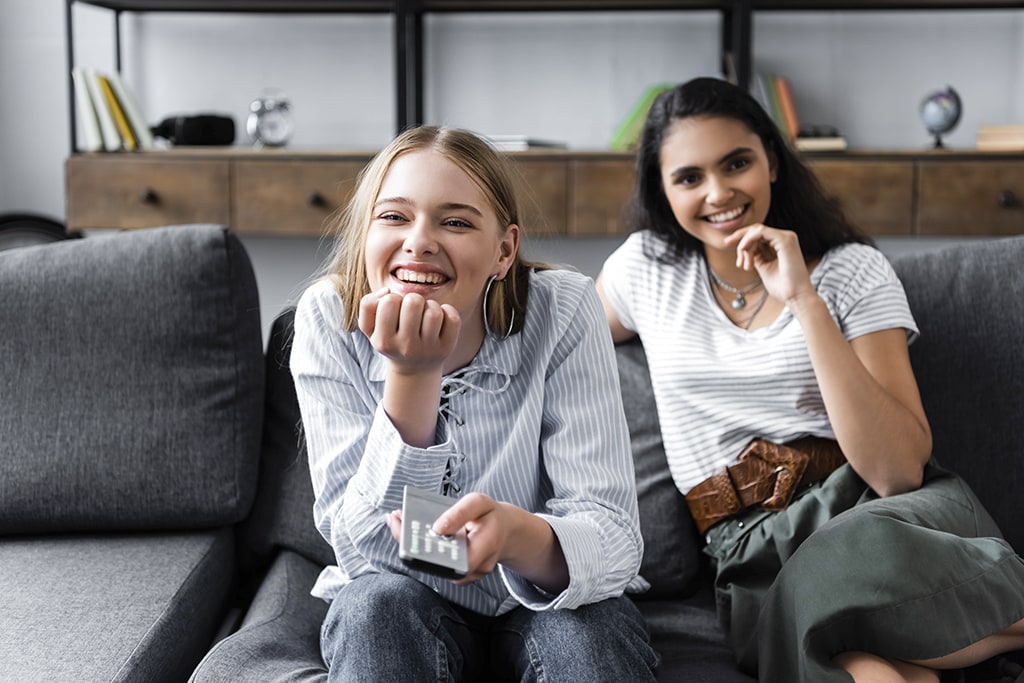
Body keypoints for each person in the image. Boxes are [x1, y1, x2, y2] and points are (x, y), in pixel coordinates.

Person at [596, 76, 1024, 683]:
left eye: (736, 163)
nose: (718, 192)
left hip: (876, 515)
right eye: (689, 177)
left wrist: (803, 299)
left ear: (771, 161)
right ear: (662, 191)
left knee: (836, 590)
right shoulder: (644, 270)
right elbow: (548, 338)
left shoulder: (853, 272)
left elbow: (898, 471)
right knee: (856, 662)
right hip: (750, 555)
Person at [290, 124, 659, 682]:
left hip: (544, 593)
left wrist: (513, 536)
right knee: (375, 610)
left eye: (456, 221)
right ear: (365, 233)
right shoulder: (325, 318)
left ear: (504, 250)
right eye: (393, 216)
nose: (419, 241)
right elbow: (362, 549)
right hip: (404, 598)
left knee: (587, 634)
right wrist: (413, 374)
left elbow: (611, 536)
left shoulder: (564, 309)